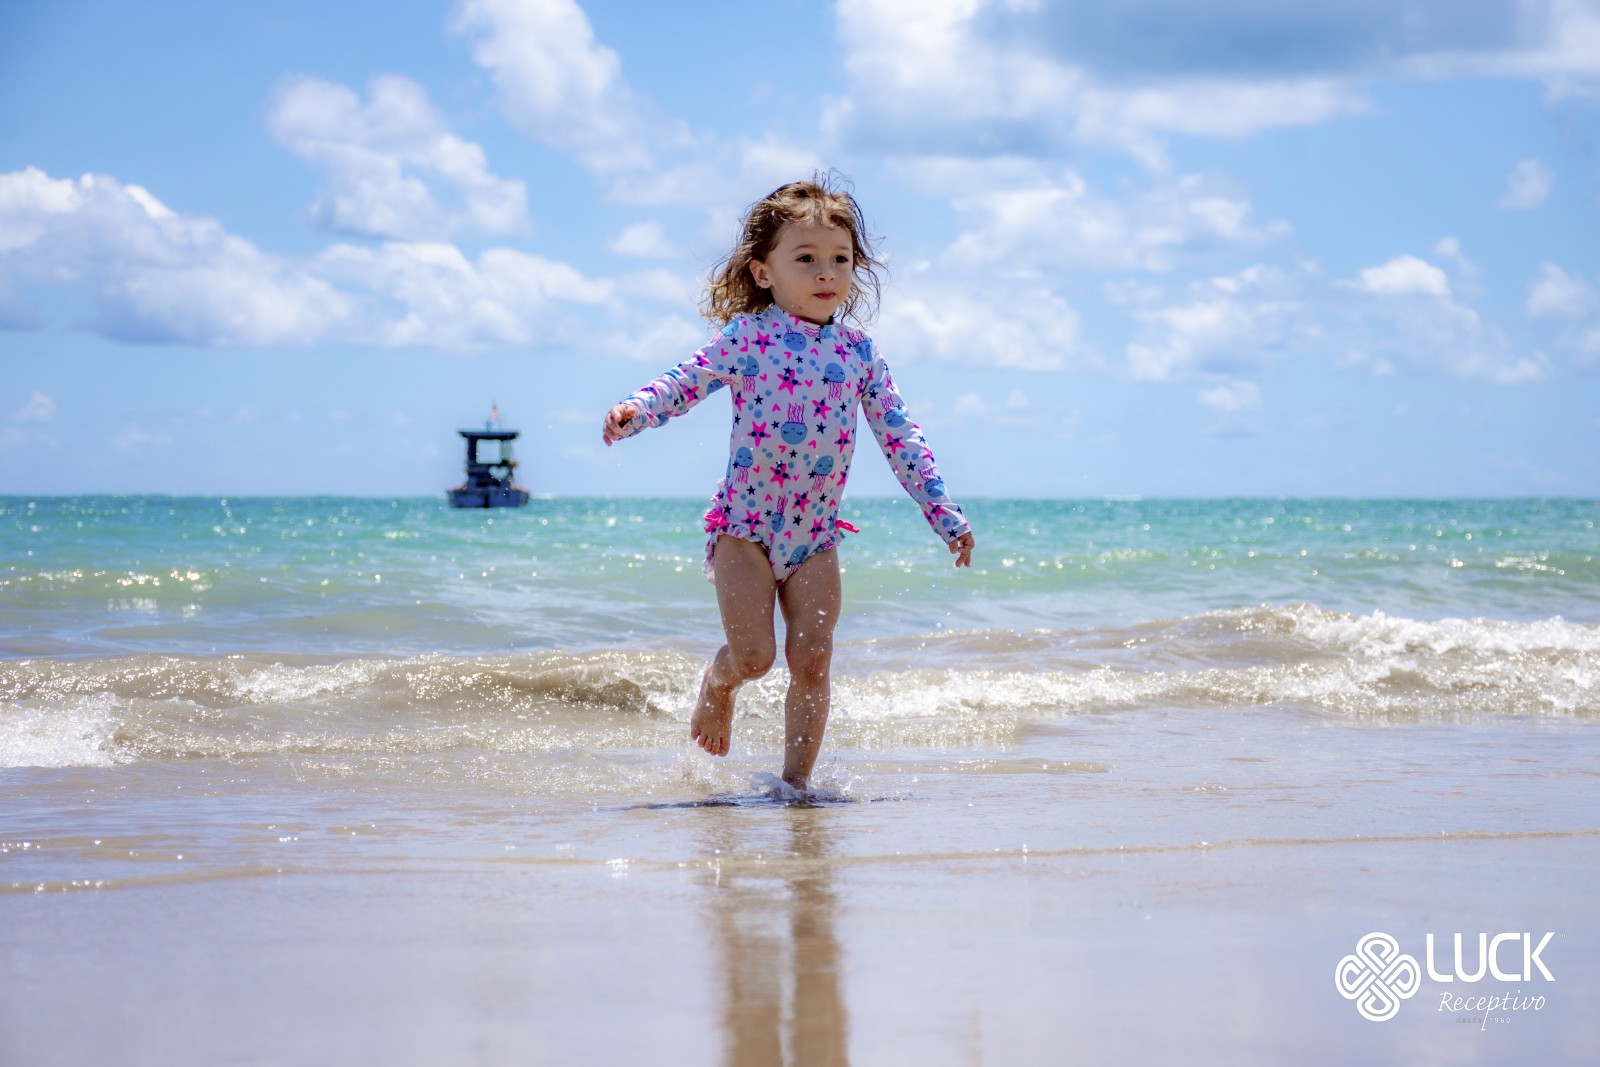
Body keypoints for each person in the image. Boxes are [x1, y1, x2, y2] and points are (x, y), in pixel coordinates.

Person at [602, 177, 974, 791]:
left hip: (815, 535)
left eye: (840, 260)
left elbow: (902, 439)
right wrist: (635, 412)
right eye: (805, 259)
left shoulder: (859, 354)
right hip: (745, 530)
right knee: (755, 659)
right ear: (764, 272)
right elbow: (686, 381)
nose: (825, 273)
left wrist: (946, 517)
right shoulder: (749, 339)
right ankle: (718, 684)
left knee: (814, 659)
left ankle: (794, 789)